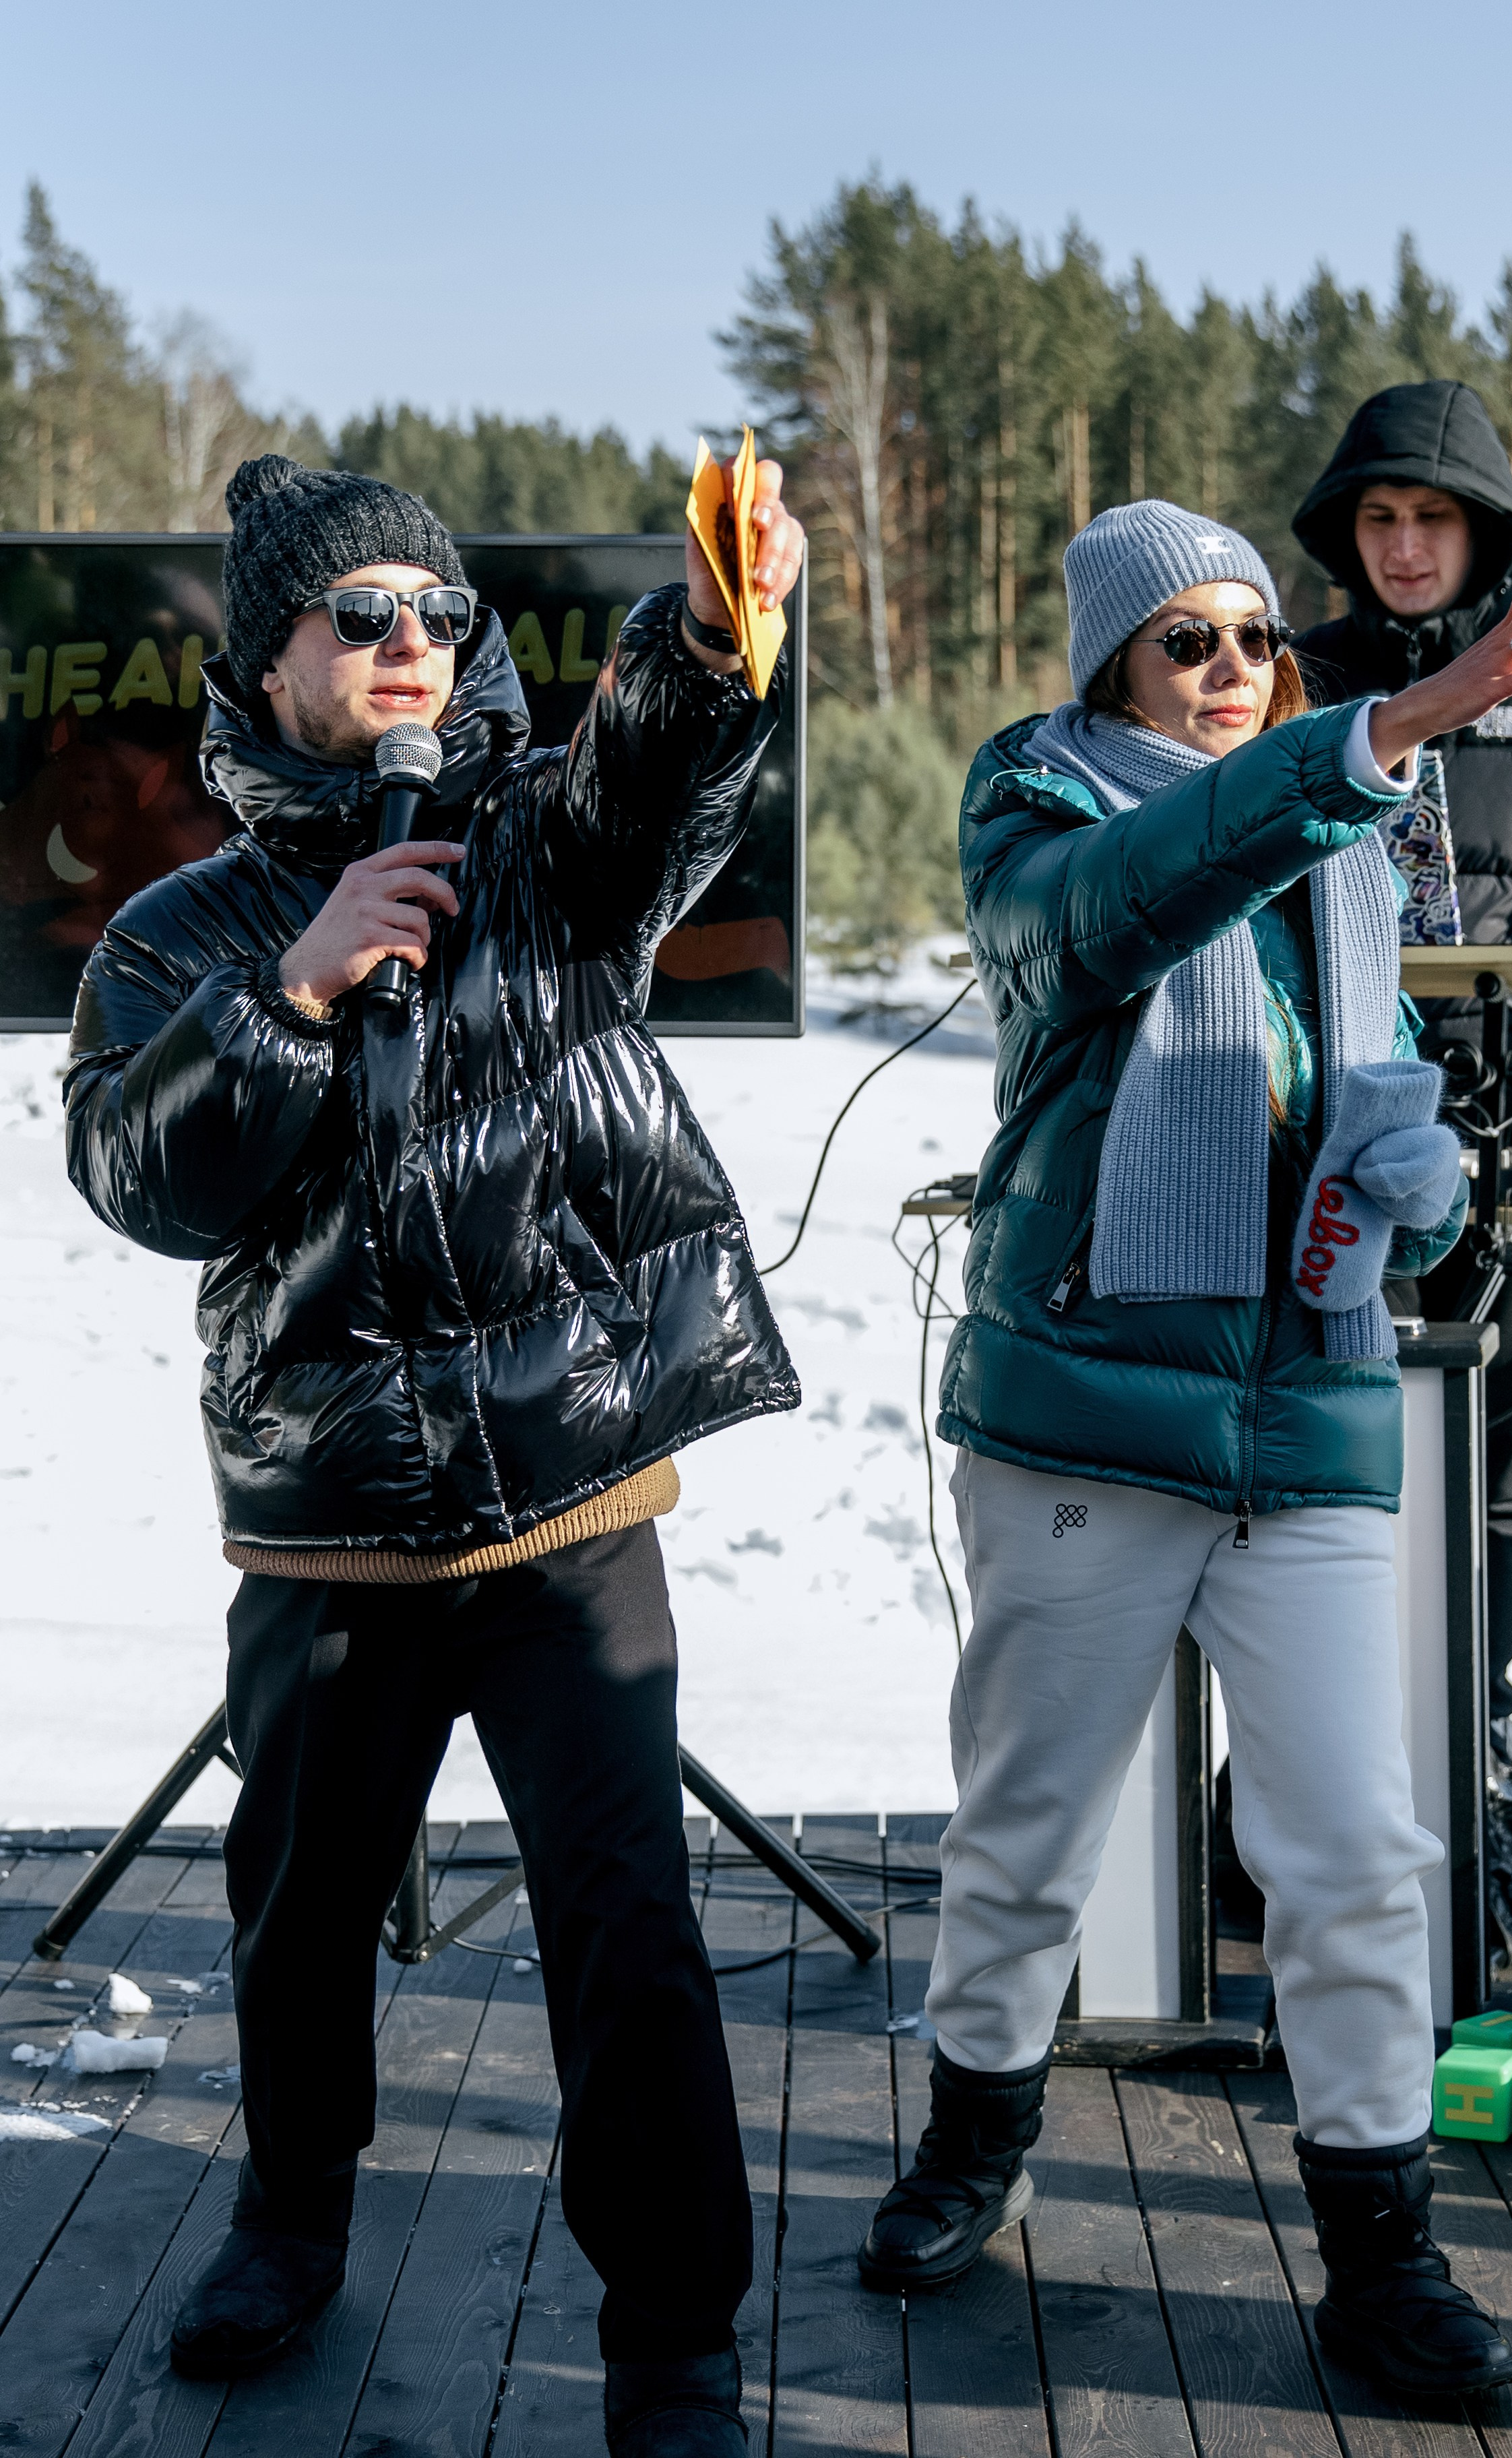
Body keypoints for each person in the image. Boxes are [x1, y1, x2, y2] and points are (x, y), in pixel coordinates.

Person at [64, 451, 805, 2457]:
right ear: (273, 657)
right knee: (300, 1927)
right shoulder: (173, 930)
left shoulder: (543, 851)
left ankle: (669, 2345)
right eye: (359, 616)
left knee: (628, 1930)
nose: (408, 645)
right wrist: (294, 990)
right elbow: (148, 1183)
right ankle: (291, 2224)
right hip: (326, 1529)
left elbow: (655, 772)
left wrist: (718, 635)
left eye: (437, 616)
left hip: (568, 1511)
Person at [857, 497, 1512, 2401]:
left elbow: (1363, 1090)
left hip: (1311, 1408)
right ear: (1111, 668)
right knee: (1032, 1832)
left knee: (1358, 1853)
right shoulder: (1042, 825)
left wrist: (1413, 1198)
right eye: (1191, 642)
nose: (1238, 670)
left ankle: (1382, 2252)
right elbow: (1122, 913)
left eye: (1261, 640)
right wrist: (1372, 746)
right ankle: (976, 2139)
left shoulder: (1341, 849)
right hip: (1092, 1404)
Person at [1292, 381, 1512, 1761]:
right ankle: (1331, 1746)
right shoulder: (1299, 678)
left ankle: (1468, 1736)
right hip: (1341, 1134)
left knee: (1502, 1461)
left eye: (1432, 515)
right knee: (1343, 1447)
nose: (1403, 544)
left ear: (1488, 529)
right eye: (1377, 516)